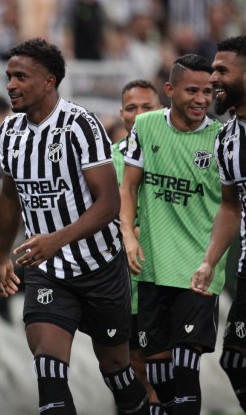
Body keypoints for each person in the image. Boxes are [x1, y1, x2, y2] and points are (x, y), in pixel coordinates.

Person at [0, 38, 149, 415]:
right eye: (9, 76)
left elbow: (109, 203)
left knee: (116, 371)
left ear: (49, 81)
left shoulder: (80, 124)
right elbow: (9, 197)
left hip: (100, 268)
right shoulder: (9, 132)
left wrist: (56, 241)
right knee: (47, 366)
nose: (10, 84)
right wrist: (0, 258)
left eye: (20, 77)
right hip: (48, 273)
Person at [120, 54, 224, 414]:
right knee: (160, 374)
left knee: (184, 367)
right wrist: (129, 236)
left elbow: (232, 207)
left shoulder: (221, 139)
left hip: (198, 273)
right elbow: (129, 188)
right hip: (153, 270)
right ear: (170, 90)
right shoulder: (146, 127)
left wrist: (212, 261)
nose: (201, 99)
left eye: (208, 91)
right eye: (192, 90)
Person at [191, 35, 246, 413]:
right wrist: (210, 260)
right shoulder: (226, 138)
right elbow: (230, 207)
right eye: (212, 70)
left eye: (222, 70)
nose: (213, 79)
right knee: (235, 360)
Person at [112, 80, 161, 413]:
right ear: (122, 114)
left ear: (160, 111)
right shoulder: (105, 160)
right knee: (126, 370)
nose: (139, 114)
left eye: (147, 107)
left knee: (160, 370)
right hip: (121, 286)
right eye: (132, 108)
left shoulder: (173, 154)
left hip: (164, 281)